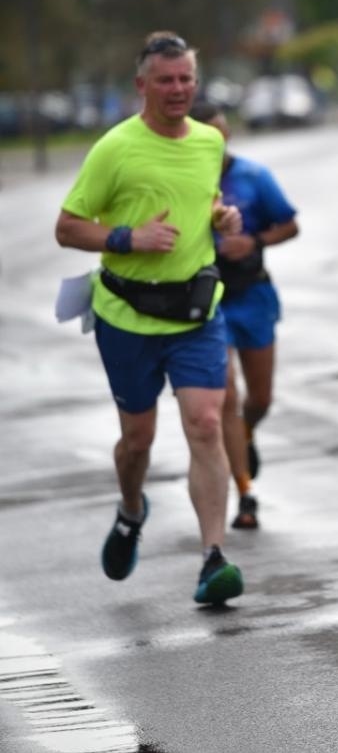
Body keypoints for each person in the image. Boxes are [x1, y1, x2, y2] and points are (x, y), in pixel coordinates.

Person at [55, 32, 245, 606]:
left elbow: (201, 199)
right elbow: (67, 227)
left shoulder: (209, 141)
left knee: (206, 424)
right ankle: (131, 510)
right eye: (166, 80)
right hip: (127, 316)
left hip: (195, 311)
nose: (178, 88)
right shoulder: (115, 148)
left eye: (186, 78)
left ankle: (213, 558)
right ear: (142, 85)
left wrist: (220, 216)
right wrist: (127, 238)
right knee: (138, 440)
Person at [190, 100, 299, 530]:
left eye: (224, 133)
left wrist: (253, 242)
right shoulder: (185, 180)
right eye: (210, 134)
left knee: (260, 399)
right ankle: (245, 493)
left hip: (252, 294)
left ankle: (247, 433)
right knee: (226, 400)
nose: (220, 141)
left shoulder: (253, 176)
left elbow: (289, 224)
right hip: (207, 299)